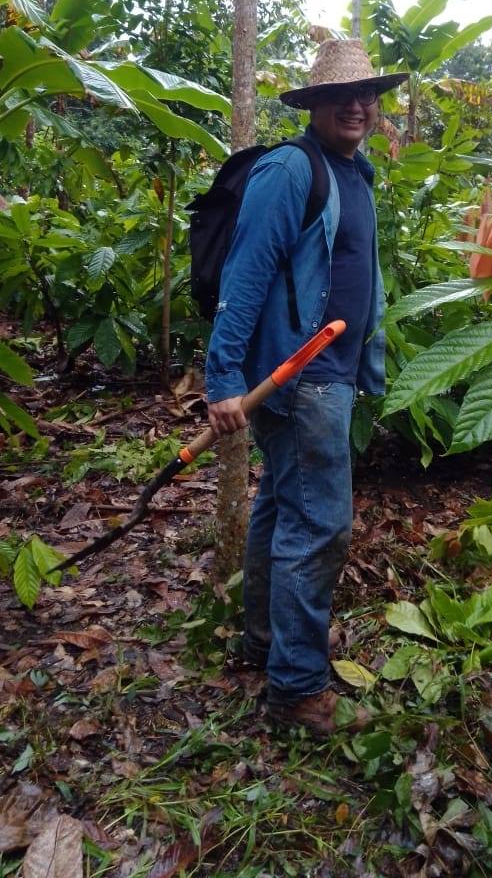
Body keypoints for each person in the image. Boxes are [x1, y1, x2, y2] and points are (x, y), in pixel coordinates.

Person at [205, 38, 407, 737]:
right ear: (314, 104)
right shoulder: (291, 171)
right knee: (319, 526)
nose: (356, 105)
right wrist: (223, 378)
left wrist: (368, 367)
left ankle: (264, 646)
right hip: (299, 377)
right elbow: (246, 274)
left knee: (281, 507)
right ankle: (296, 692)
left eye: (365, 94)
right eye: (338, 95)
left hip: (332, 373)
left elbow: (362, 276)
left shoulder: (356, 173)